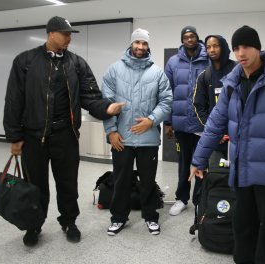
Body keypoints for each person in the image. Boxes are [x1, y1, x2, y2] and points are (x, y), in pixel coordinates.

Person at [189, 25, 265, 264]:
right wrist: (198, 159)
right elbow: (215, 123)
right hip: (242, 174)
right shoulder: (232, 84)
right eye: (236, 48)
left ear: (258, 47)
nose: (241, 53)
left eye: (246, 46)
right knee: (242, 228)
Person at [3, 16, 124, 247]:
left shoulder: (76, 63)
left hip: (65, 136)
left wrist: (106, 108)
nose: (69, 38)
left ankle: (69, 221)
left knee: (67, 184)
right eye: (65, 34)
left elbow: (91, 97)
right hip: (33, 136)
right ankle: (33, 225)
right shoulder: (25, 61)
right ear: (51, 34)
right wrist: (14, 136)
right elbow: (14, 101)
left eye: (70, 34)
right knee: (35, 184)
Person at [101, 28, 172, 236]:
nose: (141, 47)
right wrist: (111, 131)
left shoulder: (157, 73)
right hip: (121, 138)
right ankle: (118, 218)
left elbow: (167, 101)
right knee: (121, 180)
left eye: (144, 43)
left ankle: (150, 217)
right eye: (137, 43)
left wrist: (151, 120)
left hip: (147, 139)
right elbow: (106, 103)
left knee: (147, 180)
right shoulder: (114, 70)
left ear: (148, 46)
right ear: (131, 44)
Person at [164, 26, 208, 216]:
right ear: (182, 40)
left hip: (202, 123)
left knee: (202, 163)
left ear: (198, 39)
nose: (189, 39)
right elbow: (167, 93)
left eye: (193, 36)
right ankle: (182, 199)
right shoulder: (173, 62)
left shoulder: (208, 60)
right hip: (181, 123)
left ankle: (200, 200)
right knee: (183, 162)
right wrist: (168, 122)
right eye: (186, 37)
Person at [193, 34, 236, 167]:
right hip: (216, 141)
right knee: (216, 178)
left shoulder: (238, 70)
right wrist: (214, 132)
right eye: (208, 47)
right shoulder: (205, 75)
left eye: (216, 46)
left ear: (223, 47)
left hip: (238, 139)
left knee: (239, 182)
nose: (212, 50)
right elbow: (199, 106)